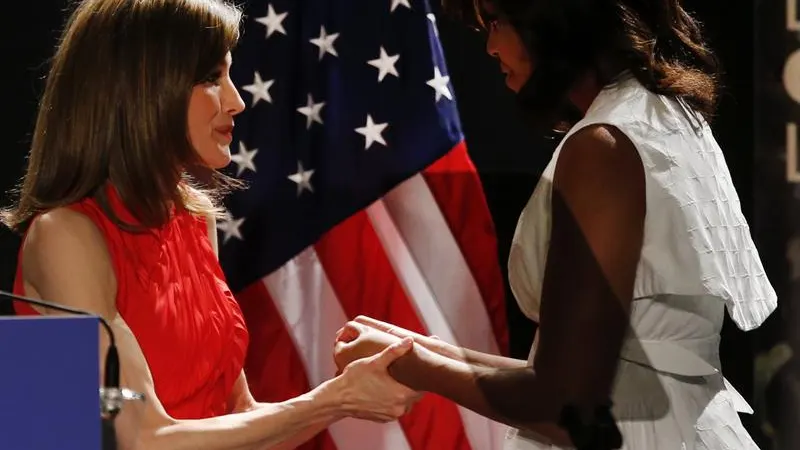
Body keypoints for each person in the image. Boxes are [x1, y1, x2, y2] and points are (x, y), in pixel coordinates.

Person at [333, 0, 778, 449]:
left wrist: (413, 366)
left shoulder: (602, 147)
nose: (489, 46)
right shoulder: (666, 117)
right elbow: (597, 374)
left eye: (495, 22)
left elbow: (567, 407)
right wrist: (421, 350)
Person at [2, 0, 420, 449]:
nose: (236, 101)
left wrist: (353, 388)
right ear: (142, 88)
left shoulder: (195, 219)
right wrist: (335, 400)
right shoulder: (63, 235)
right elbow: (142, 439)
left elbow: (239, 422)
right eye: (210, 78)